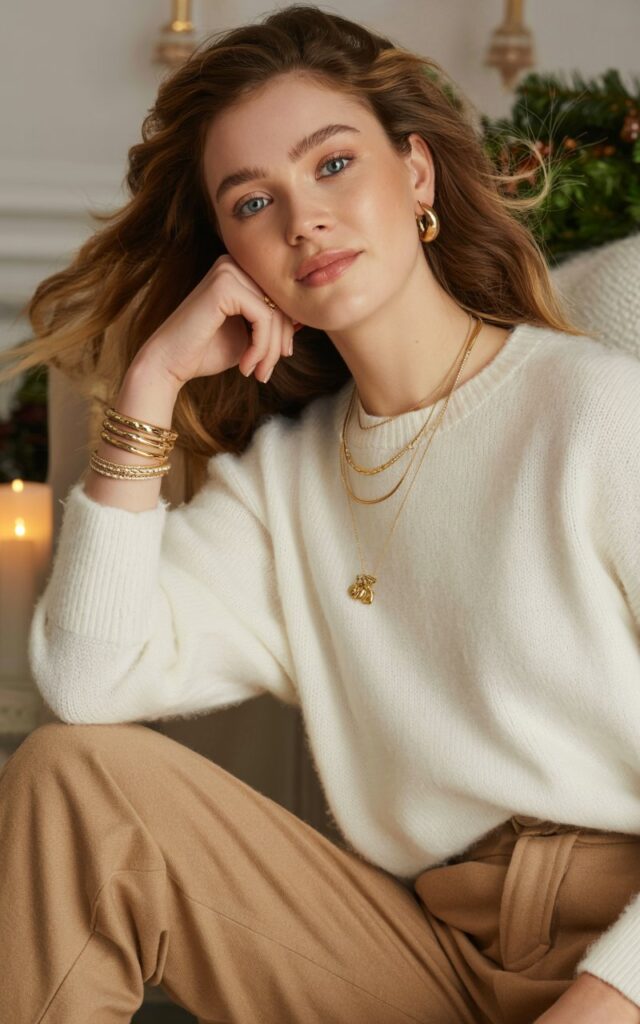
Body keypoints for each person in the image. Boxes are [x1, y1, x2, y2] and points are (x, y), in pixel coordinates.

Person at [1, 5, 640, 1023]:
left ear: (416, 173)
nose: (302, 219)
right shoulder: (283, 487)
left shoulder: (596, 412)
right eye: (254, 201)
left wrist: (607, 1000)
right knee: (74, 776)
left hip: (622, 958)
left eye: (332, 165)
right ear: (231, 250)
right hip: (428, 960)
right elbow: (87, 682)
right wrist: (150, 386)